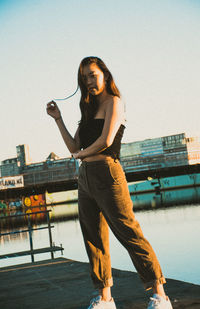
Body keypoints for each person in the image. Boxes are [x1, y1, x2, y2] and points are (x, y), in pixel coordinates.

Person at [46, 56, 173, 309]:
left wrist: (80, 155)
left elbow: (105, 141)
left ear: (105, 74)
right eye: (84, 77)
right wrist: (58, 119)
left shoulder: (114, 102)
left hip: (108, 173)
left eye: (92, 74)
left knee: (129, 232)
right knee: (93, 237)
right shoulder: (88, 109)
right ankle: (105, 298)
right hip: (86, 178)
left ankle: (160, 295)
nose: (89, 81)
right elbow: (73, 145)